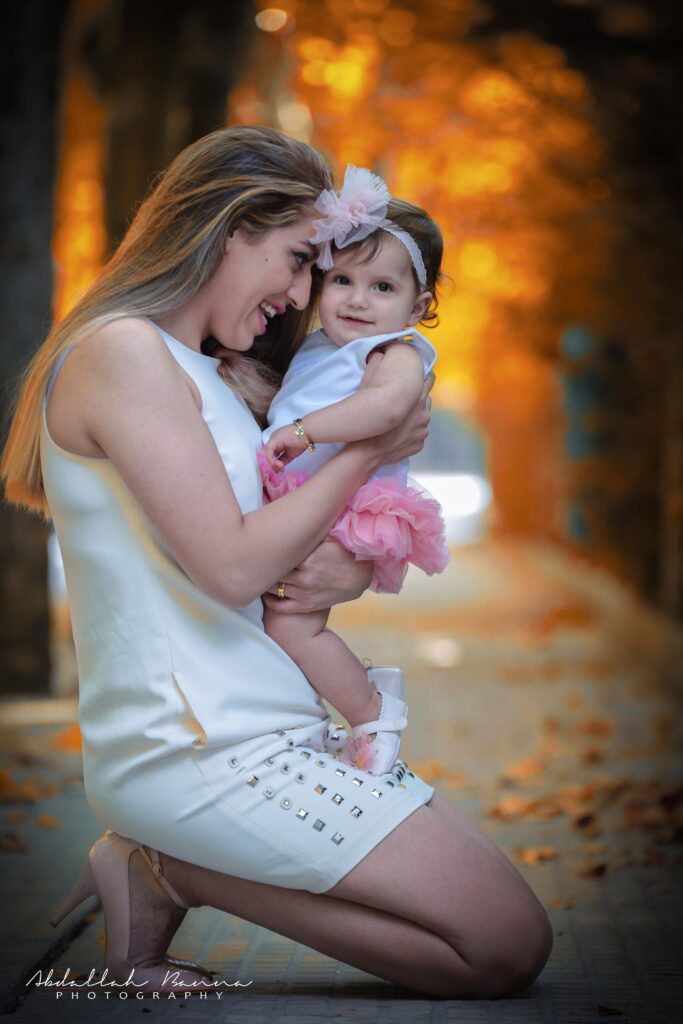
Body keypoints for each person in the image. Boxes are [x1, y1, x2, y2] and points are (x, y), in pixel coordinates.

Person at [1, 125, 552, 998]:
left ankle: (170, 868)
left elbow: (269, 555)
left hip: (264, 725)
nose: (302, 293)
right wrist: (363, 452)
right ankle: (172, 868)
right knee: (501, 948)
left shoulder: (206, 372)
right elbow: (228, 569)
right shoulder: (123, 353)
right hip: (197, 748)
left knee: (507, 937)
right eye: (298, 260)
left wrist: (346, 565)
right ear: (230, 228)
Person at [257, 167, 450, 776]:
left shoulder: (395, 352)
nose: (358, 300)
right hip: (309, 493)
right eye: (342, 279)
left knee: (292, 623)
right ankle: (331, 708)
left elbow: (388, 408)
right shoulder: (318, 344)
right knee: (279, 620)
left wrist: (305, 431)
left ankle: (371, 714)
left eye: (382, 287)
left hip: (350, 501)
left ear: (416, 307)